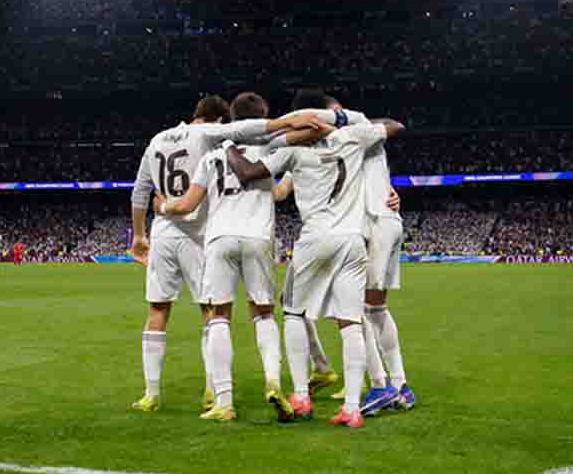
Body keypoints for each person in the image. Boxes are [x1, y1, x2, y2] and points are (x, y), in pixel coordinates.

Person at [127, 97, 328, 414]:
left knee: (176, 311)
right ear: (220, 120)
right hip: (223, 235)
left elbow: (151, 193)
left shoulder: (176, 145)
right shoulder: (242, 144)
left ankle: (190, 397)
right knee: (254, 312)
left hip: (186, 233)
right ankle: (256, 382)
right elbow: (282, 146)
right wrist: (300, 122)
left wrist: (144, 228)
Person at [234, 115, 404, 428]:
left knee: (294, 312)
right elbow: (395, 126)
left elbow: (247, 173)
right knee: (351, 321)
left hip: (314, 239)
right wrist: (338, 125)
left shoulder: (293, 153)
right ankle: (352, 409)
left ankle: (301, 395)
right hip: (352, 242)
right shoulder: (350, 141)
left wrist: (228, 144)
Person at [287, 89, 414, 415]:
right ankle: (399, 385)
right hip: (384, 222)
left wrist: (336, 122)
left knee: (353, 313)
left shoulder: (354, 126)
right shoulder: (335, 142)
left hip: (372, 225)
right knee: (375, 309)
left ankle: (381, 385)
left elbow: (395, 124)